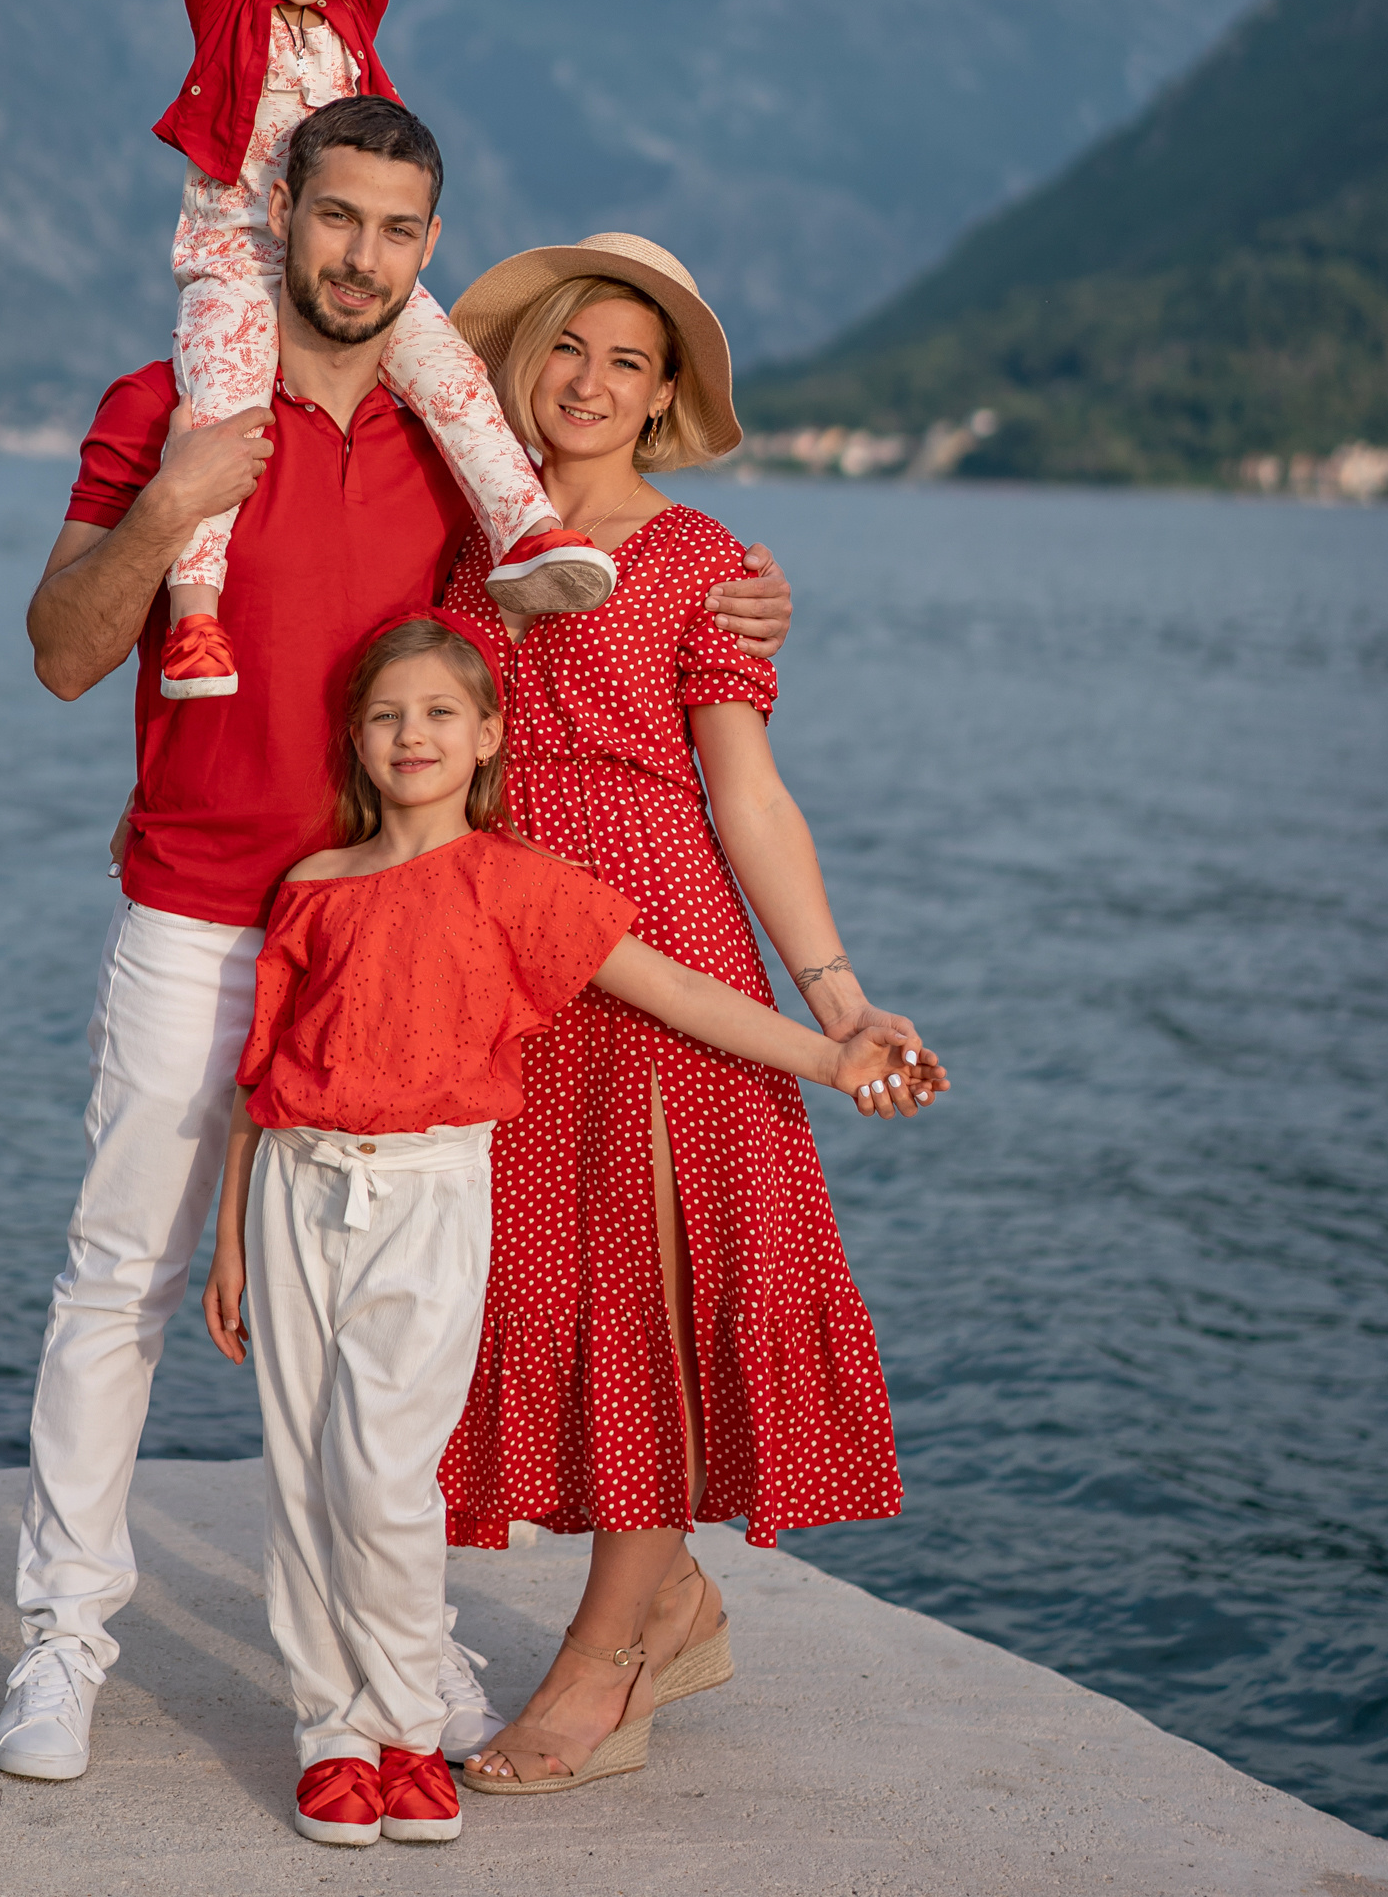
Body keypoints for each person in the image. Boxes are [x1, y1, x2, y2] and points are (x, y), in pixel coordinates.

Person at [0, 107, 796, 1784]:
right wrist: (170, 514)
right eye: (336, 218)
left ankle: (373, 1694)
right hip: (200, 913)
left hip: (390, 936)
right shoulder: (168, 405)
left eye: (399, 229)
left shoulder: (456, 443)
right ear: (279, 211)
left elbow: (591, 558)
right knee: (122, 1281)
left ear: (431, 245)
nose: (362, 256)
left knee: (391, 1338)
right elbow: (67, 654)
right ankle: (63, 1644)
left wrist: (738, 598)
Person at [201, 613, 942, 1845]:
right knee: (301, 1476)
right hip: (294, 1191)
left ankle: (398, 1727)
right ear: (354, 736)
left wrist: (830, 1049)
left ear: (490, 735)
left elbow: (681, 989)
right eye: (386, 715)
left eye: (440, 713)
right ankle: (330, 1736)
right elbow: (256, 1079)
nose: (411, 735)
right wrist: (228, 1241)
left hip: (431, 1195)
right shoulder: (311, 887)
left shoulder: (515, 880)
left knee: (387, 1478)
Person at [411, 233, 936, 1798]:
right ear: (527, 366)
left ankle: (612, 1654)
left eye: (627, 363)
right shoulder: (471, 544)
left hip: (663, 950)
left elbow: (747, 792)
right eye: (569, 349)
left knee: (648, 1292)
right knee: (540, 1284)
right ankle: (672, 1596)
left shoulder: (703, 560)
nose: (589, 382)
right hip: (507, 949)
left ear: (663, 398)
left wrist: (840, 993)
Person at [148, 0, 612, 704]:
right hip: (240, 251)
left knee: (449, 372)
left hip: (350, 256)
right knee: (218, 412)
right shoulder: (225, 13)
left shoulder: (355, 8)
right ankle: (196, 620)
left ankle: (524, 528)